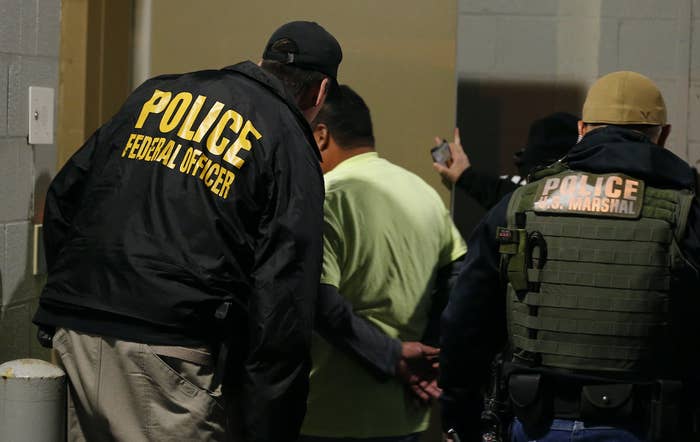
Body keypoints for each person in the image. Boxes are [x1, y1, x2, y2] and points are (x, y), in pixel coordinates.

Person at [32, 21, 342, 442]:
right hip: (168, 356)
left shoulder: (155, 94)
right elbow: (283, 301)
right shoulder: (288, 139)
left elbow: (65, 196)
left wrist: (70, 298)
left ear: (262, 61)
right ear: (320, 92)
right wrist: (268, 425)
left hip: (77, 334)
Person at [440, 70, 700, 442]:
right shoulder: (683, 214)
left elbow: (465, 322)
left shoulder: (520, 204)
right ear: (664, 134)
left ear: (582, 129)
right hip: (642, 424)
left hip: (535, 420)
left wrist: (458, 413)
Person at [299, 85, 467, 442]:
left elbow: (319, 301)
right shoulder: (423, 194)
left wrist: (392, 356)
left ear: (321, 135)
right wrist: (433, 358)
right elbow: (457, 283)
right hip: (405, 414)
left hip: (328, 412)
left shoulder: (325, 198)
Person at [434, 112, 579, 209]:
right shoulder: (590, 195)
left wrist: (465, 176)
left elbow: (506, 194)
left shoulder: (518, 197)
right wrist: (465, 176)